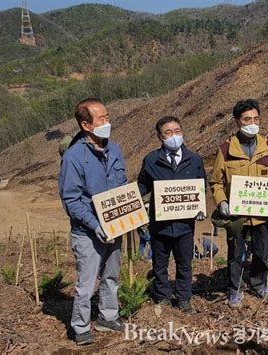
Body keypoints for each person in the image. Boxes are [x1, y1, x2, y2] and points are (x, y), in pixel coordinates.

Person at [58, 98, 126, 345]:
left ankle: (108, 317)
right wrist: (95, 225)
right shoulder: (74, 157)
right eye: (102, 119)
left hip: (115, 226)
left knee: (111, 276)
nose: (107, 122)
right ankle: (81, 327)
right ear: (86, 125)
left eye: (108, 117)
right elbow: (72, 200)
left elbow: (121, 184)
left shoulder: (115, 149)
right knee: (86, 284)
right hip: (89, 232)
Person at [209, 99, 268, 307]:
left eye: (255, 118)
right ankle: (234, 288)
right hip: (236, 215)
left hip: (261, 212)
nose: (252, 122)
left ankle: (259, 283)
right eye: (247, 119)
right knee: (236, 253)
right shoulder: (226, 149)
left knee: (262, 252)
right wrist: (222, 201)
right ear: (237, 122)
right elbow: (216, 181)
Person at [137, 116, 206, 313]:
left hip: (185, 225)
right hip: (160, 225)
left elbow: (201, 187)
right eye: (168, 133)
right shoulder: (151, 160)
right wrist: (131, 198)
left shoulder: (194, 160)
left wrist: (199, 208)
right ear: (160, 137)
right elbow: (142, 184)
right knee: (160, 263)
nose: (173, 136)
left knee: (185, 263)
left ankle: (184, 298)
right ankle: (163, 296)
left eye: (177, 131)